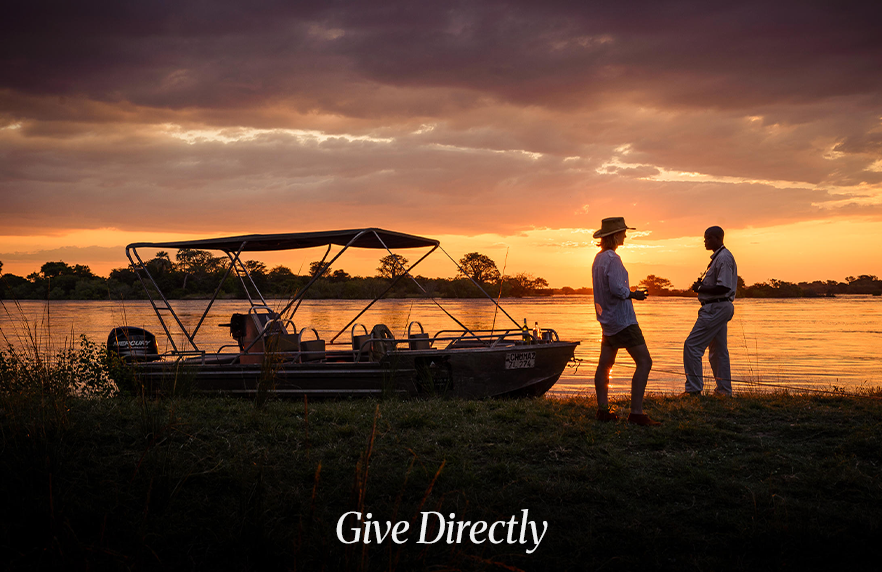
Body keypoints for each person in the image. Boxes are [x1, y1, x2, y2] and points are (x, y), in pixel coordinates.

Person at [591, 217, 660, 426]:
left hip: (607, 321)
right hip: (623, 320)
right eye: (623, 232)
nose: (625, 235)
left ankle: (603, 410)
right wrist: (634, 294)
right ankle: (636, 413)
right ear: (615, 236)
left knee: (605, 364)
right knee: (644, 362)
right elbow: (615, 288)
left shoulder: (598, 258)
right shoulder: (613, 259)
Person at [683, 226, 738, 396]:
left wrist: (701, 288)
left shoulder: (724, 258)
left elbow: (724, 287)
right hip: (718, 307)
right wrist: (702, 286)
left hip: (716, 307)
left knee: (692, 346)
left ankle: (693, 389)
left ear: (717, 238)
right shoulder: (718, 258)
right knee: (718, 351)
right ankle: (724, 391)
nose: (704, 241)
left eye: (708, 238)